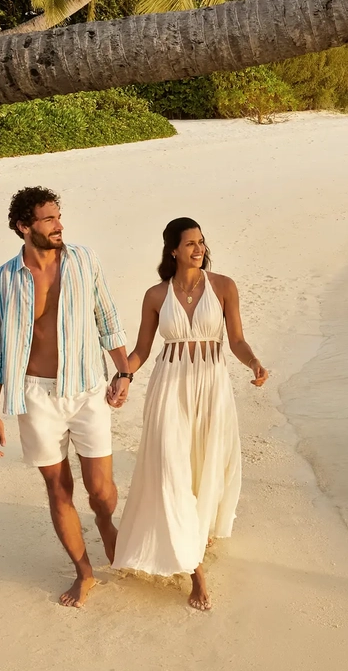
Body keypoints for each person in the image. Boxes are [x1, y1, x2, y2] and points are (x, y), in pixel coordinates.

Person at [0, 187, 134, 608]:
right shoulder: (1, 282)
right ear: (23, 227)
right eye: (48, 220)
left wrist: (123, 372)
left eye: (59, 216)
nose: (59, 225)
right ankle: (84, 572)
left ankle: (105, 523)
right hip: (35, 395)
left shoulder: (84, 261)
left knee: (101, 491)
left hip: (86, 389)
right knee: (58, 489)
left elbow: (108, 318)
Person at [111, 217, 268, 611]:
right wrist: (123, 376)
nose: (199, 249)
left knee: (205, 466)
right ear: (173, 250)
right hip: (170, 389)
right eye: (190, 243)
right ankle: (195, 569)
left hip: (212, 388)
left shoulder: (224, 287)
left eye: (201, 242)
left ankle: (196, 534)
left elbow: (236, 340)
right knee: (171, 470)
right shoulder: (155, 296)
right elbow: (143, 350)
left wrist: (254, 363)